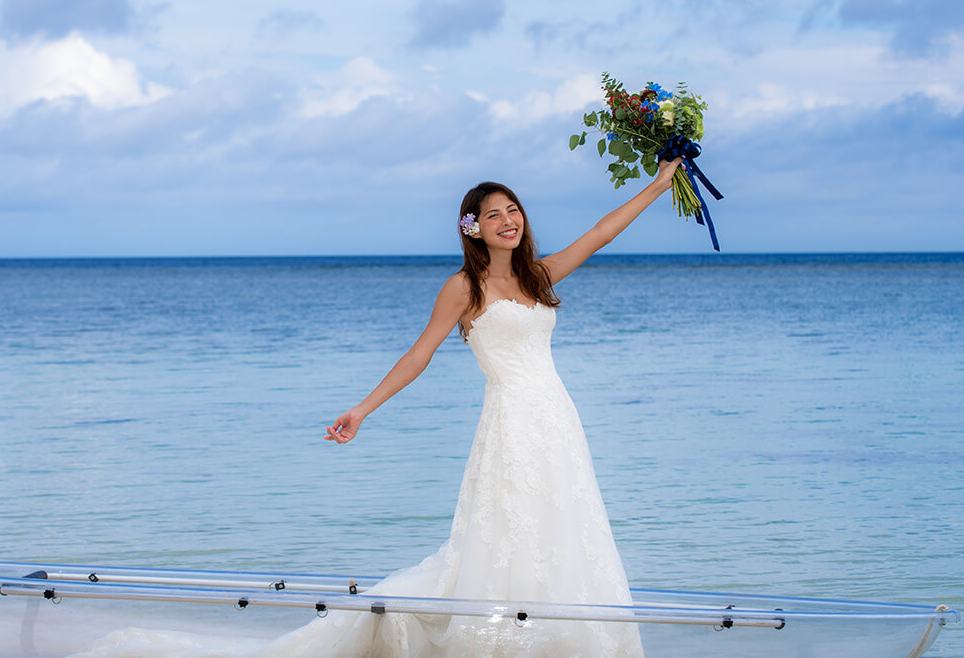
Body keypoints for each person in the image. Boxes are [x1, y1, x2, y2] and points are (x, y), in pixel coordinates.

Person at [71, 159, 682, 658]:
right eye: (493, 215)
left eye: (513, 210)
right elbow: (418, 355)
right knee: (509, 531)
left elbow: (601, 232)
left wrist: (658, 184)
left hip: (558, 420)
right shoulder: (464, 288)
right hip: (511, 424)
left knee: (564, 524)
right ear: (472, 229)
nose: (507, 221)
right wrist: (362, 409)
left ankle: (559, 638)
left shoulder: (540, 277)